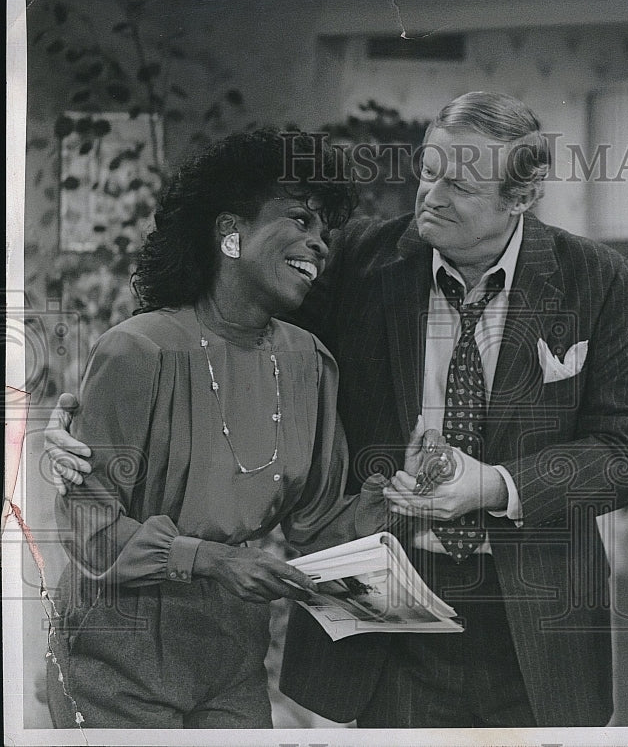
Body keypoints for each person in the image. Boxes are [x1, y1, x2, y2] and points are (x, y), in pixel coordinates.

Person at [47, 92, 628, 728]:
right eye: (429, 169)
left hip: (535, 625)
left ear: (522, 197)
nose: (431, 195)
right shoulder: (359, 260)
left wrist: (496, 485)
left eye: (461, 184)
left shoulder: (595, 277)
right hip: (385, 623)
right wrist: (80, 416)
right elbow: (216, 325)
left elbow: (626, 454)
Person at [42, 129, 389, 729]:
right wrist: (213, 561)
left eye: (325, 232)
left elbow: (318, 521)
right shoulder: (138, 351)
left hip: (233, 649)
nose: (320, 245)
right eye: (301, 219)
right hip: (115, 652)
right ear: (230, 232)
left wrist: (394, 497)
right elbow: (87, 526)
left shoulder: (310, 361)